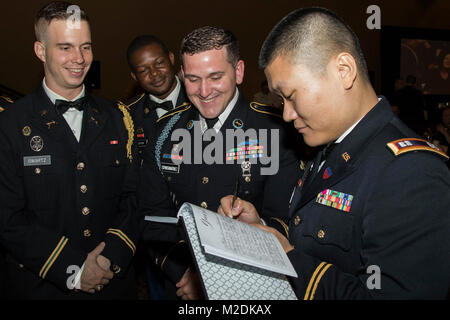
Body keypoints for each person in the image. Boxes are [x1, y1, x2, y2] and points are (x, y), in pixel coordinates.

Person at [219, 7, 450, 299]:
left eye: (291, 96)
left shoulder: (412, 172)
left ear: (344, 71)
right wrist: (262, 231)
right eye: (281, 101)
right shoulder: (330, 146)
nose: (287, 115)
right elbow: (312, 236)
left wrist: (287, 258)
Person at [138, 26, 302, 299]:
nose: (204, 91)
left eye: (215, 77)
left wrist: (256, 225)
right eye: (192, 79)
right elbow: (151, 219)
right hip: (181, 287)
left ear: (238, 71)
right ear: (181, 75)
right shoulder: (164, 132)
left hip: (251, 285)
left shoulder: (275, 130)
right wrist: (185, 273)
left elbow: (286, 220)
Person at [0, 1, 138, 299]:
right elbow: (7, 218)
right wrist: (74, 267)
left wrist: (109, 257)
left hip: (112, 284)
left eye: (85, 47)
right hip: (42, 286)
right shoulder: (10, 124)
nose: (79, 59)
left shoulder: (117, 117)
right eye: (65, 47)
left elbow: (133, 198)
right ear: (40, 51)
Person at [120, 35, 190, 159]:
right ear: (135, 77)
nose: (154, 73)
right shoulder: (128, 115)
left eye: (159, 63)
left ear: (171, 58)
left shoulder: (199, 100)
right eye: (143, 70)